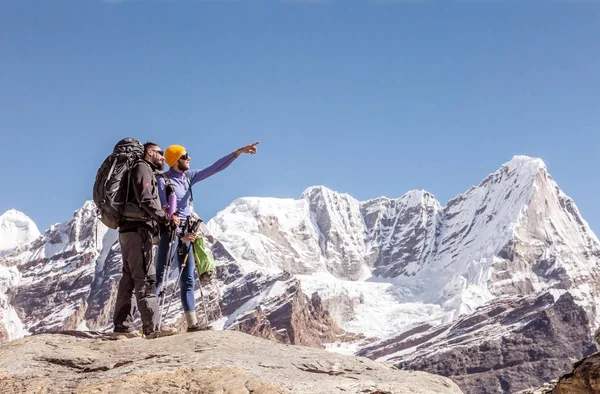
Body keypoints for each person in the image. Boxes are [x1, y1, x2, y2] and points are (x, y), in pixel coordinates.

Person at [155, 142, 259, 331]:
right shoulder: (163, 180)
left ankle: (192, 324)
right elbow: (163, 212)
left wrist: (237, 153)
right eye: (185, 156)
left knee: (188, 278)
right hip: (170, 232)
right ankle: (151, 323)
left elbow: (214, 168)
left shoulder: (187, 177)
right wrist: (179, 234)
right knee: (160, 277)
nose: (189, 159)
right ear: (175, 160)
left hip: (188, 231)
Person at [113, 142, 181, 339]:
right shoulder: (143, 167)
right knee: (146, 278)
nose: (162, 158)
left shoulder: (137, 168)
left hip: (127, 230)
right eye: (160, 153)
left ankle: (122, 327)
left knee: (129, 279)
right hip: (138, 230)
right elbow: (146, 198)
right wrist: (165, 218)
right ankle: (152, 328)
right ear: (150, 152)